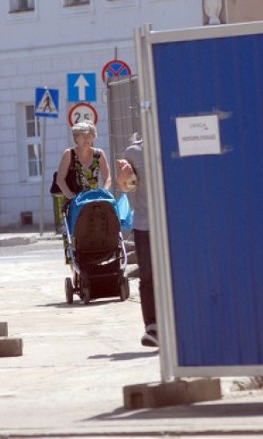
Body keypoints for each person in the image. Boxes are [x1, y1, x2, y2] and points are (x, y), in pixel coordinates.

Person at [116, 132, 158, 348]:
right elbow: (126, 187)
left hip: (174, 225)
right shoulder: (134, 151)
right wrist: (124, 177)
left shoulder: (175, 139)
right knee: (148, 277)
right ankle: (152, 327)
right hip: (145, 224)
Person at [56, 120, 111, 200]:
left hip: (95, 198)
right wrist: (72, 198)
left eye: (89, 136)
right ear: (76, 138)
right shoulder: (69, 154)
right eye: (83, 136)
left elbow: (107, 178)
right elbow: (60, 180)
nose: (86, 139)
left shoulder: (99, 154)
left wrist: (103, 193)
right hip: (75, 199)